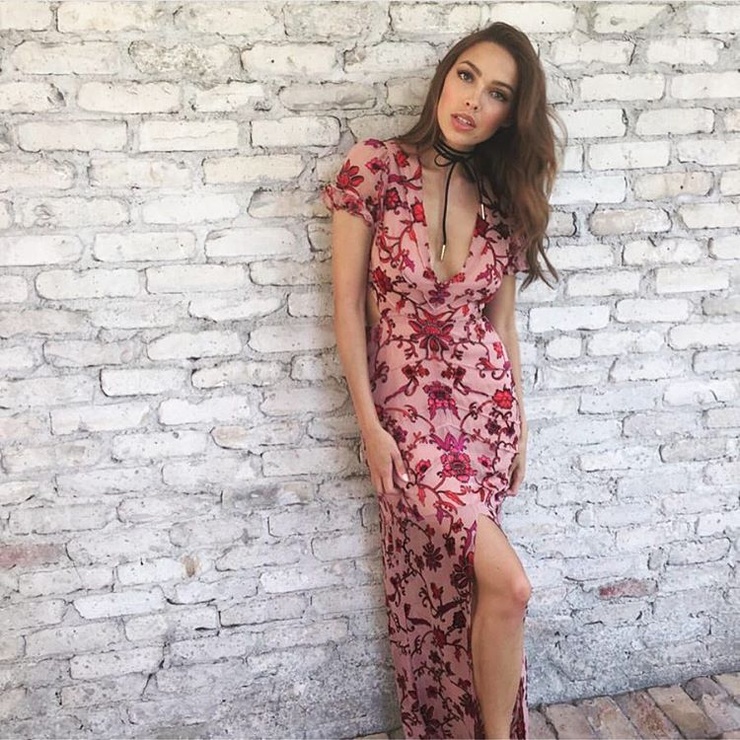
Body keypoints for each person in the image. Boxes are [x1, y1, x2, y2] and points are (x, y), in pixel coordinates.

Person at [323, 21, 560, 740]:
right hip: (406, 421)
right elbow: (347, 308)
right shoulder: (374, 167)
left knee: (487, 592)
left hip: (483, 416)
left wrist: (521, 426)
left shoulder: (503, 197)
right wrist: (370, 428)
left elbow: (502, 325)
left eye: (497, 94)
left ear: (509, 116)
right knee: (504, 584)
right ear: (444, 77)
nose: (473, 101)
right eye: (466, 76)